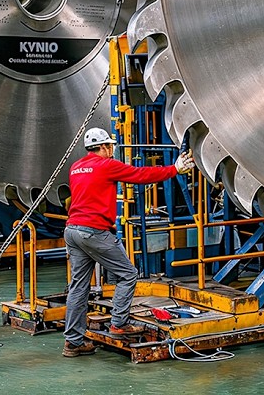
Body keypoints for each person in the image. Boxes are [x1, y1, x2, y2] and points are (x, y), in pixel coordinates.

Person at [61, 128, 193, 357]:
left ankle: (73, 342)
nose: (112, 150)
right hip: (94, 231)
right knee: (128, 274)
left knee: (78, 287)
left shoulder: (75, 167)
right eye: (110, 146)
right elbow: (139, 175)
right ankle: (119, 324)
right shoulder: (106, 165)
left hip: (72, 230)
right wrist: (174, 169)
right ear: (103, 147)